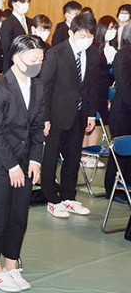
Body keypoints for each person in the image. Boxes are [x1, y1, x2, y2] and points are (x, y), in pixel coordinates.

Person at [0, 35, 46, 292]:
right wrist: (12, 166)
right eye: (33, 59)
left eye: (41, 59)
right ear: (17, 58)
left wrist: (35, 159)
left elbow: (38, 127)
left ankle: (11, 265)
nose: (38, 64)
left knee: (19, 217)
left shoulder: (38, 87)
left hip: (24, 160)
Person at [39, 12, 97, 218]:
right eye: (83, 36)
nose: (87, 40)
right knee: (51, 158)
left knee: (73, 157)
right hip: (56, 115)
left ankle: (69, 197)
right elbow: (44, 87)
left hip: (79, 115)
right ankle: (52, 199)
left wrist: (91, 114)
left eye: (91, 36)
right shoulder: (56, 53)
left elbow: (91, 86)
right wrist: (44, 118)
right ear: (71, 33)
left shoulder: (93, 53)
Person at [83, 15, 118, 167]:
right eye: (110, 28)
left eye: (115, 28)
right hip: (94, 91)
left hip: (103, 91)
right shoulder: (95, 48)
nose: (113, 31)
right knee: (90, 123)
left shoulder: (111, 48)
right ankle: (84, 153)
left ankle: (90, 154)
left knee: (98, 123)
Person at [105, 24, 131, 199]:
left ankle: (126, 186)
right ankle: (113, 189)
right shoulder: (123, 54)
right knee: (120, 154)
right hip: (123, 111)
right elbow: (124, 86)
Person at [0, 0, 32, 71]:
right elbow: (7, 48)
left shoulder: (30, 21)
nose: (26, 5)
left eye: (28, 2)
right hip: (12, 66)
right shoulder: (7, 23)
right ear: (14, 4)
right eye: (23, 2)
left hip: (29, 65)